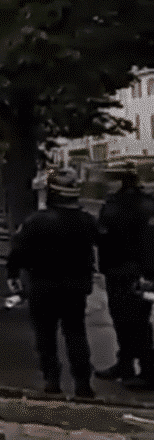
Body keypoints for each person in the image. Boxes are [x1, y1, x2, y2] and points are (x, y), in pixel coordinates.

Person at [8, 168, 101, 398]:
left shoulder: (35, 221)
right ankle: (82, 384)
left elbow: (17, 252)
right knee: (76, 333)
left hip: (42, 286)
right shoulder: (87, 221)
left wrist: (13, 276)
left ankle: (52, 381)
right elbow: (103, 246)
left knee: (45, 336)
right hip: (75, 287)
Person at [95, 161, 154, 387]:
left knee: (131, 322)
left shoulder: (119, 206)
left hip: (124, 271)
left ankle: (146, 371)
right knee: (132, 321)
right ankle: (127, 364)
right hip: (137, 272)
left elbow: (105, 237)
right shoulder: (146, 203)